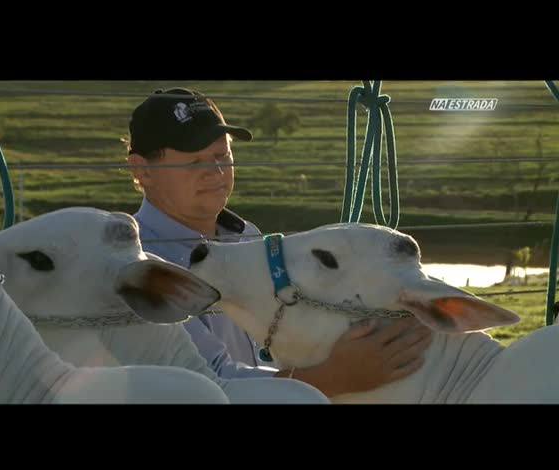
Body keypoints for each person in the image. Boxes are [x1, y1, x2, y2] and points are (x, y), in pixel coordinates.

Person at [126, 87, 432, 397]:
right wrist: (335, 377)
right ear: (142, 169)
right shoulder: (139, 265)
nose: (216, 171)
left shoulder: (246, 236)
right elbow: (207, 380)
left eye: (222, 154)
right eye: (194, 162)